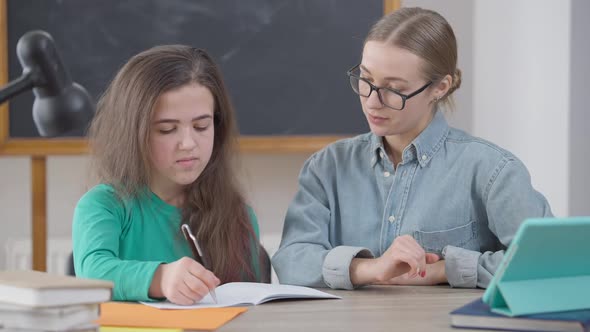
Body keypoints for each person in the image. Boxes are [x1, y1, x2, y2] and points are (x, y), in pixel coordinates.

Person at [272, 7, 552, 290]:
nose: (372, 102)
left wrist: (446, 269)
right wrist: (370, 268)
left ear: (440, 87)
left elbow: (548, 261)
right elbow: (291, 262)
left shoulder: (492, 170)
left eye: (393, 90)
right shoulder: (326, 167)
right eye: (366, 80)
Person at [73, 45, 265, 304]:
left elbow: (249, 302)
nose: (187, 143)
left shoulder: (237, 214)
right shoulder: (104, 206)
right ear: (134, 133)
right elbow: (92, 274)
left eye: (201, 126)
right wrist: (161, 278)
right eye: (166, 129)